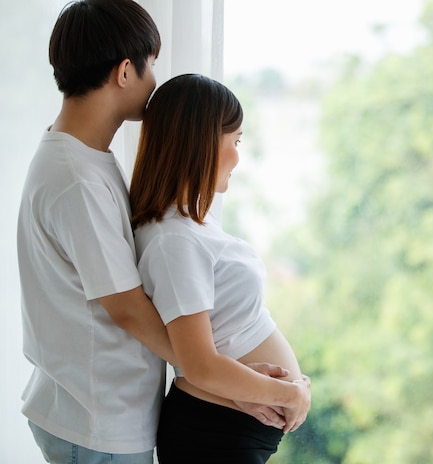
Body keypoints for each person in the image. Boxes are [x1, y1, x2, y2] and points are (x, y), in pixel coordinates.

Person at [17, 2, 287, 463]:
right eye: (153, 65)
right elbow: (126, 309)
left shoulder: (85, 160)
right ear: (126, 71)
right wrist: (227, 383)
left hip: (103, 414)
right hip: (98, 423)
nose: (155, 80)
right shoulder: (77, 178)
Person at [129, 73, 312, 463]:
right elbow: (199, 363)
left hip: (224, 431)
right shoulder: (173, 240)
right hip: (214, 437)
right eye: (236, 140)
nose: (239, 156)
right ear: (202, 142)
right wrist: (289, 394)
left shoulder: (185, 226)